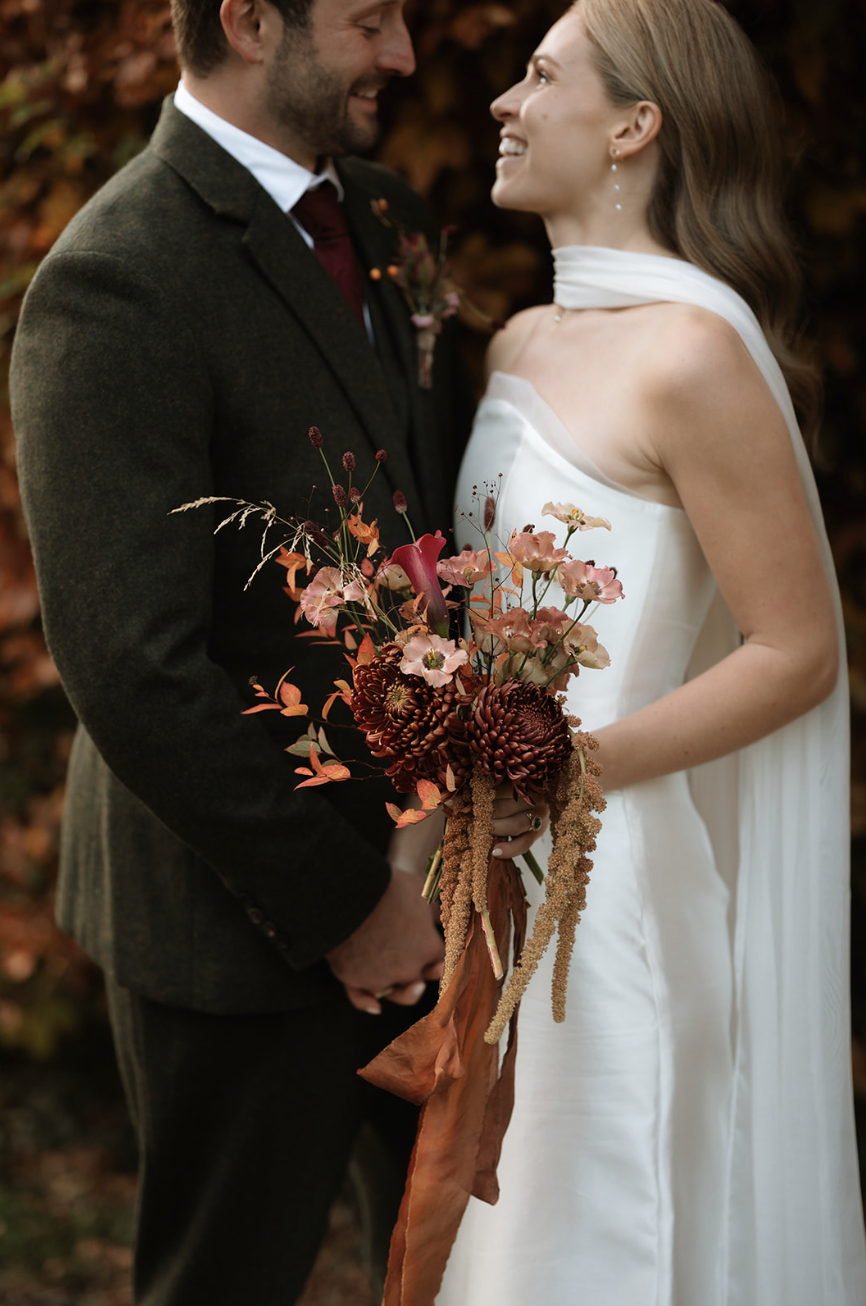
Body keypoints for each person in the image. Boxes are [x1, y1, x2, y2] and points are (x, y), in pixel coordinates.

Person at [9, 1, 544, 1302]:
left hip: (437, 875)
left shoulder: (386, 219)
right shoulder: (119, 273)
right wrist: (346, 907)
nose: (408, 60)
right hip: (240, 916)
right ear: (250, 20)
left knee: (453, 1267)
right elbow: (132, 661)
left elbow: (425, 513)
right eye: (372, 23)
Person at [436, 1, 866, 1303]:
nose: (502, 103)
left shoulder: (693, 356)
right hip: (483, 878)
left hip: (611, 893)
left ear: (633, 126)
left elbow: (796, 649)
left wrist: (567, 763)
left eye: (539, 74)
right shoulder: (513, 342)